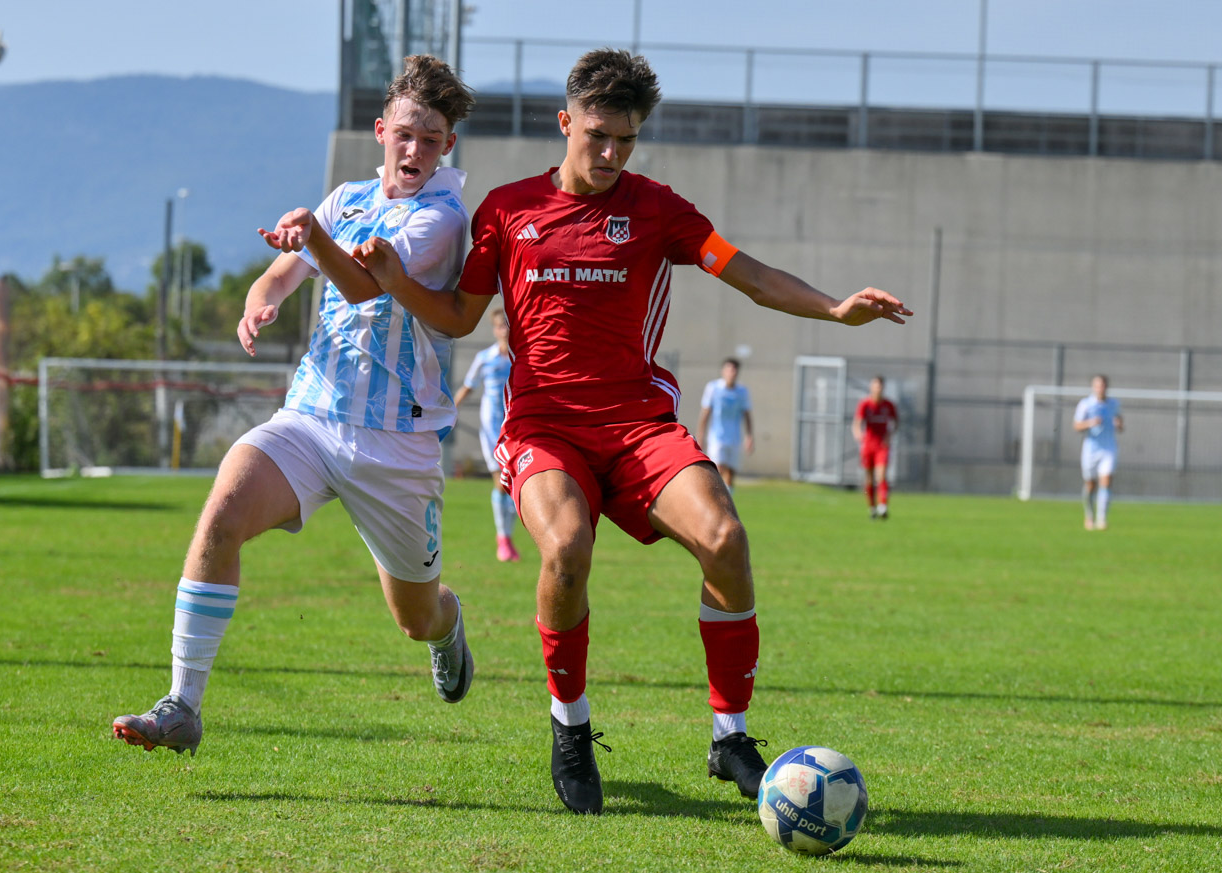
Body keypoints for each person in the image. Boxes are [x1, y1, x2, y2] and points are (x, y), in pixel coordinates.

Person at [352, 49, 910, 814]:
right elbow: (457, 316)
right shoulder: (508, 211)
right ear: (566, 122)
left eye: (628, 140)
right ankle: (571, 727)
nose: (612, 154)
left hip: (639, 423)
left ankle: (730, 735)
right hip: (545, 425)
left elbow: (745, 272)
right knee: (567, 549)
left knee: (725, 538)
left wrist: (836, 308)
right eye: (599, 135)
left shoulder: (657, 209)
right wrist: (396, 282)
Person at [111, 55, 477, 757]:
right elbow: (283, 274)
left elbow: (367, 284)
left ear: (446, 148)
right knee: (221, 510)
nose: (414, 151)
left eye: (430, 140)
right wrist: (262, 300)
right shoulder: (344, 199)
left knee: (415, 614)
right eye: (405, 134)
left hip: (395, 444)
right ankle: (182, 703)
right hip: (311, 416)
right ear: (380, 131)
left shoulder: (442, 218)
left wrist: (312, 237)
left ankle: (449, 624)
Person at [453, 310, 519, 561]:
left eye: (508, 325)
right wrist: (449, 412)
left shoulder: (521, 358)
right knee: (502, 484)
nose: (504, 330)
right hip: (492, 431)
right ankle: (504, 539)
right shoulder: (485, 358)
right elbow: (467, 387)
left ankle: (507, 539)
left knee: (513, 486)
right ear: (494, 329)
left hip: (517, 429)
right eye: (500, 326)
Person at [1073, 374, 1123, 531]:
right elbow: (1076, 426)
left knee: (1106, 482)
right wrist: (1090, 423)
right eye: (1097, 385)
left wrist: (1119, 424)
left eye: (1103, 385)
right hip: (1091, 449)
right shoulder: (1086, 404)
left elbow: (1120, 425)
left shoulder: (1114, 404)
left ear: (1106, 387)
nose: (1100, 388)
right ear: (1093, 387)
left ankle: (1102, 519)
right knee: (1090, 485)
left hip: (1109, 448)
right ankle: (1089, 515)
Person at [696, 358, 753, 492]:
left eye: (734, 370)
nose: (731, 373)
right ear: (723, 371)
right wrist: (701, 435)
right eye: (728, 369)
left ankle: (727, 500)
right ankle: (717, 499)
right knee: (718, 468)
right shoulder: (713, 388)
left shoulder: (742, 391)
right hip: (717, 437)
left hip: (734, 437)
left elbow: (747, 414)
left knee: (730, 473)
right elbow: (705, 413)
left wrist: (749, 436)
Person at [852, 376, 898, 520]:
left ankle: (883, 506)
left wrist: (889, 435)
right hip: (868, 445)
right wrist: (858, 434)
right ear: (871, 387)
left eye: (880, 386)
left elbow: (896, 422)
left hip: (882, 446)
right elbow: (857, 424)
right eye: (875, 385)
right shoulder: (865, 404)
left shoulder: (889, 405)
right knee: (869, 480)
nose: (878, 388)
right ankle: (871, 507)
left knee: (881, 476)